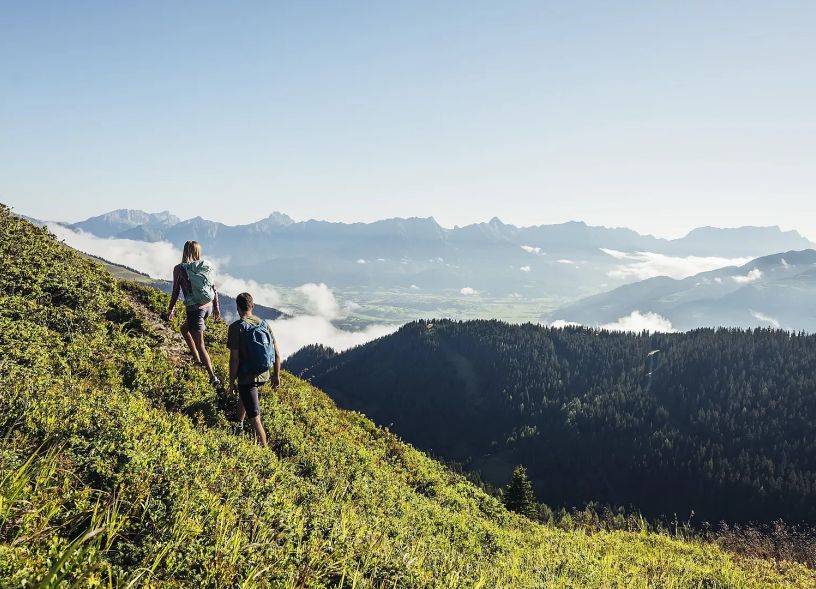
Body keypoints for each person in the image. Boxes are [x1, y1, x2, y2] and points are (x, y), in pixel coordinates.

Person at [228, 292, 281, 447]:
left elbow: (234, 359)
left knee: (255, 417)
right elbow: (277, 353)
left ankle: (265, 454)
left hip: (247, 377)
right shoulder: (264, 324)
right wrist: (276, 376)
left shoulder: (236, 327)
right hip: (264, 373)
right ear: (253, 306)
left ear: (237, 308)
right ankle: (238, 424)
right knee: (244, 397)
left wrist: (231, 381)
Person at [166, 240, 221, 386]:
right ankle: (197, 360)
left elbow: (176, 290)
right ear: (198, 252)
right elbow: (213, 288)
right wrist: (216, 308)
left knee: (200, 344)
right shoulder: (205, 266)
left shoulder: (179, 268)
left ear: (184, 251)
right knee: (184, 329)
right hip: (208, 306)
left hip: (195, 309)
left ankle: (212, 376)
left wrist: (171, 308)